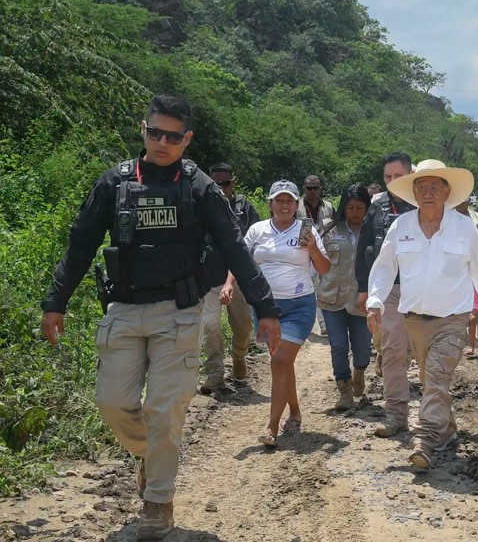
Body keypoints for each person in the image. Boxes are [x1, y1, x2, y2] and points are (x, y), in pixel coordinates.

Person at [40, 94, 282, 541]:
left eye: (173, 136)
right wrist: (55, 301)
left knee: (165, 409)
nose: (163, 143)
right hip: (123, 310)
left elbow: (234, 247)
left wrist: (265, 308)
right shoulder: (114, 183)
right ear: (143, 129)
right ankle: (151, 457)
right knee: (112, 403)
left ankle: (157, 501)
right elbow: (80, 245)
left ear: (187, 139)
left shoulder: (199, 187)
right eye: (155, 133)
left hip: (179, 313)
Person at [366, 159, 478, 471]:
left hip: (452, 320)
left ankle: (424, 439)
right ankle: (447, 428)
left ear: (446, 192)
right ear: (413, 193)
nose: (427, 193)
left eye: (434, 187)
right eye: (421, 187)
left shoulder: (464, 227)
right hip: (414, 320)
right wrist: (375, 301)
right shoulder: (401, 226)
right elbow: (385, 266)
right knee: (431, 382)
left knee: (437, 377)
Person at [222, 180, 330, 447]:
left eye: (289, 201)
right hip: (266, 307)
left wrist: (313, 248)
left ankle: (271, 428)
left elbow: (325, 268)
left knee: (280, 361)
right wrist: (228, 283)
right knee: (282, 363)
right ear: (270, 204)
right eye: (279, 201)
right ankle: (295, 412)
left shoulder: (306, 231)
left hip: (299, 305)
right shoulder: (257, 230)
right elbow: (241, 260)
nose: (285, 205)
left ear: (296, 204)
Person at [354, 152, 416, 436]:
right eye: (387, 177)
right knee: (392, 351)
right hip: (390, 288)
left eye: (398, 176)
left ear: (410, 174)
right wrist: (364, 288)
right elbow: (364, 245)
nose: (392, 181)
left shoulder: (425, 202)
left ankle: (436, 416)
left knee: (423, 353)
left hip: (424, 290)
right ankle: (396, 414)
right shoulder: (377, 206)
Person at [198, 162, 261, 393]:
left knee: (244, 326)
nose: (220, 188)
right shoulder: (200, 207)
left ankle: (238, 355)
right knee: (209, 325)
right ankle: (215, 374)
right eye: (215, 184)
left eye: (225, 184)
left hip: (238, 277)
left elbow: (254, 243)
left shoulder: (245, 208)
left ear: (233, 183)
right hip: (209, 276)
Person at [317, 185, 372, 411]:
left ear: (367, 208)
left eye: (360, 207)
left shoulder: (373, 231)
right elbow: (314, 257)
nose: (355, 212)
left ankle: (359, 370)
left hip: (361, 300)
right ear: (343, 207)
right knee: (338, 346)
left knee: (363, 348)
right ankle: (344, 390)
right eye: (350, 207)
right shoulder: (328, 229)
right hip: (332, 298)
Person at [455, 199, 478, 357]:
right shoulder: (448, 217)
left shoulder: (477, 217)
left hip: (477, 260)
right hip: (457, 262)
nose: (462, 201)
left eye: (465, 198)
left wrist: (477, 245)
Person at [299, 175, 334, 337]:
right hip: (302, 253)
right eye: (309, 188)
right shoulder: (296, 206)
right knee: (305, 288)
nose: (312, 191)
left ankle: (323, 323)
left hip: (323, 251)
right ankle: (302, 322)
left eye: (315, 188)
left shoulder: (329, 207)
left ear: (320, 189)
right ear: (304, 188)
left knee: (323, 286)